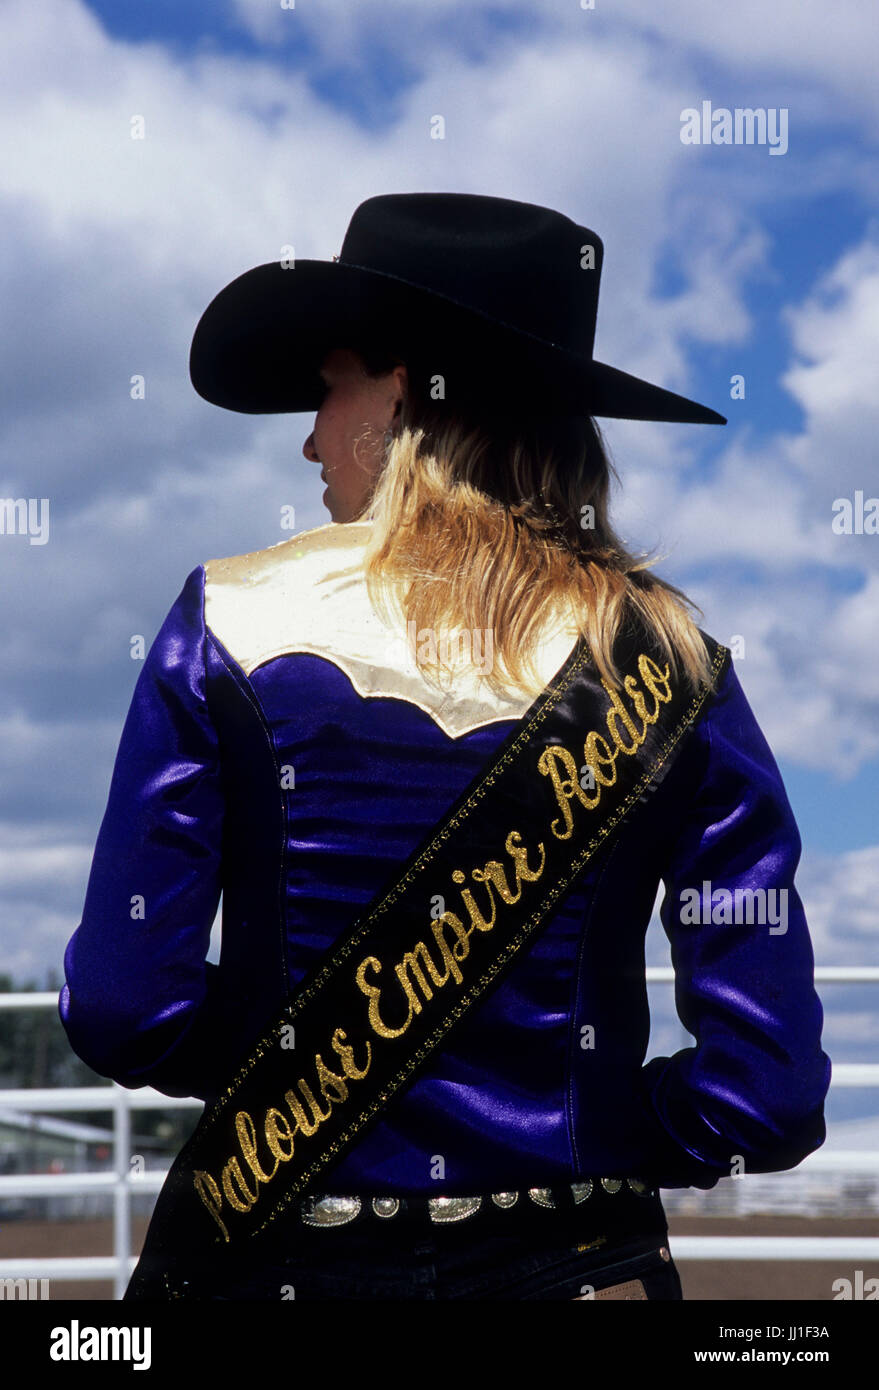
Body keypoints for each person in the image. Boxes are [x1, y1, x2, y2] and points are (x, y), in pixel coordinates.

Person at [59, 193, 831, 1301]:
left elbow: (128, 1007)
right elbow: (770, 1095)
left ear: (409, 392)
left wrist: (297, 1081)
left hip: (279, 1259)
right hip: (582, 1266)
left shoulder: (225, 622)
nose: (311, 434)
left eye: (330, 386)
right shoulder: (678, 664)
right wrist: (607, 1121)